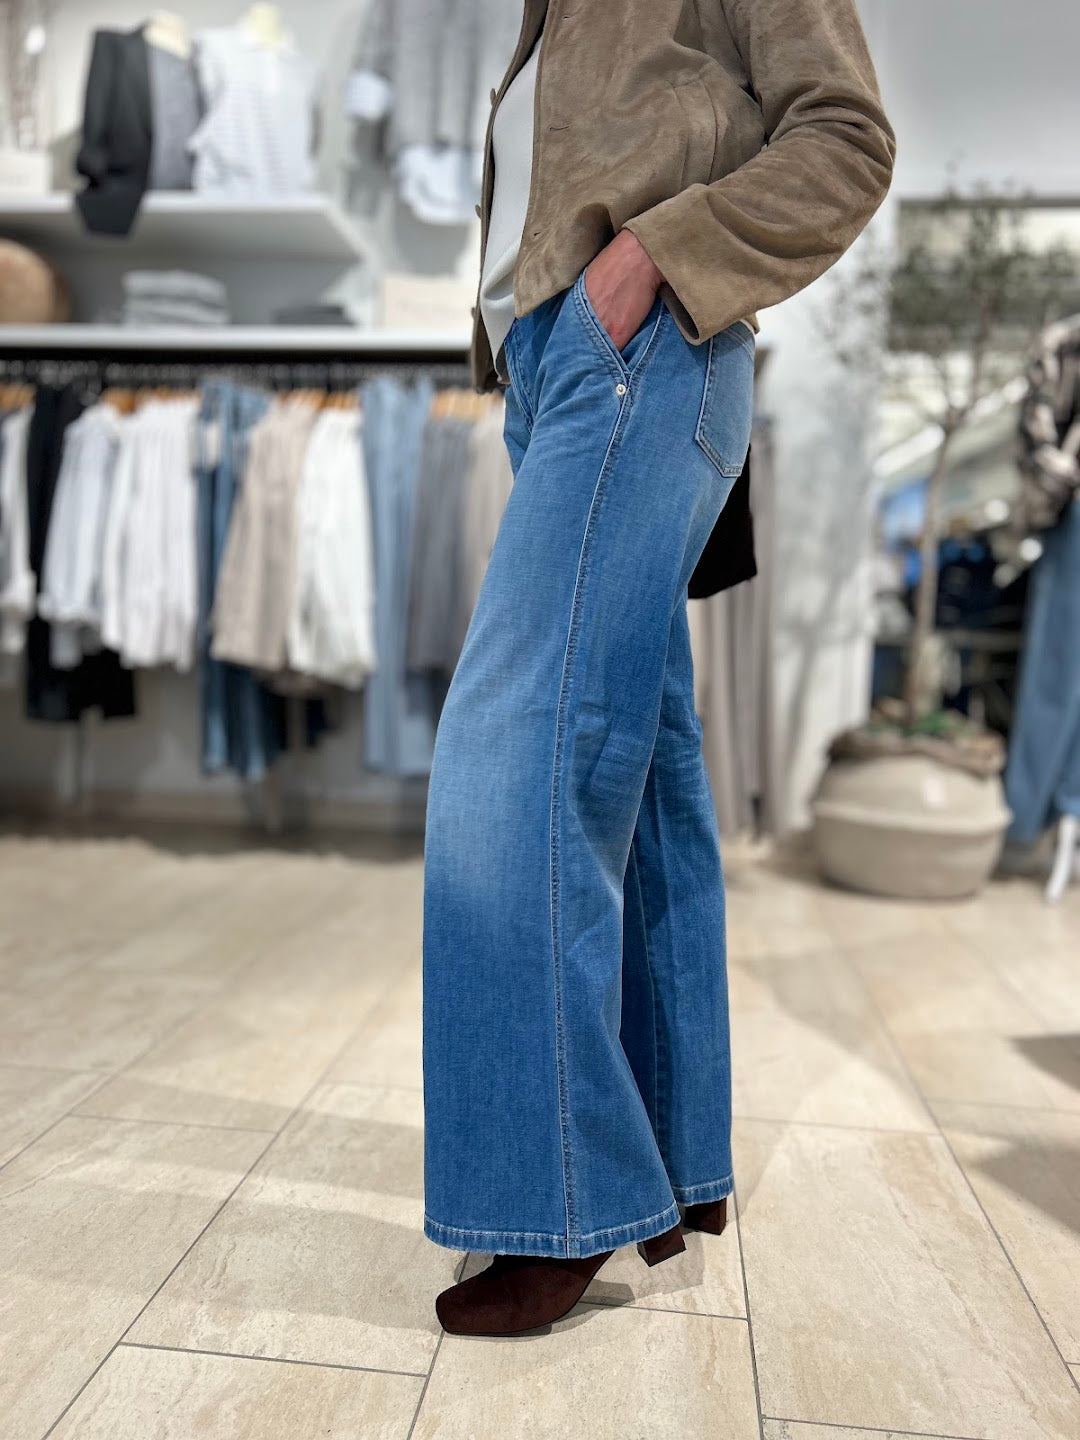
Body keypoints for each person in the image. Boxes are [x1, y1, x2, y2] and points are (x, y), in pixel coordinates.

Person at [422, 0, 896, 1337]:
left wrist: (653, 257)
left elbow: (847, 135)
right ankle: (676, 1158)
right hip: (569, 365)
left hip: (635, 350)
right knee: (647, 769)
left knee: (512, 760)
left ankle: (558, 1196)